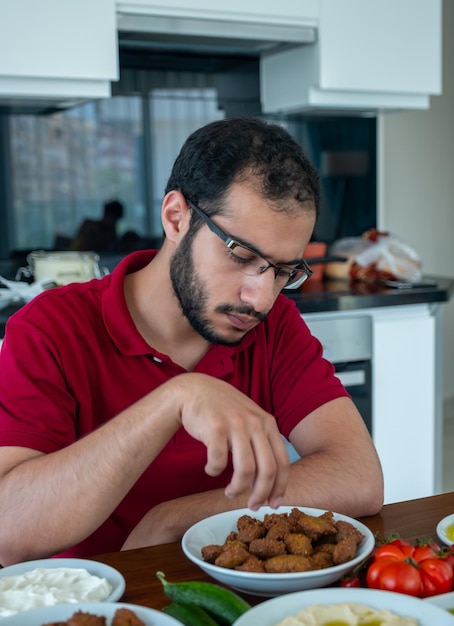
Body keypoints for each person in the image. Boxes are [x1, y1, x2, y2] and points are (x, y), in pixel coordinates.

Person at [0, 118, 384, 566]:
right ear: (176, 217)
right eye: (241, 255)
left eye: (283, 271)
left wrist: (175, 520)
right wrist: (176, 399)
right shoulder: (50, 328)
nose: (260, 297)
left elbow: (360, 476)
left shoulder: (273, 324)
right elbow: (9, 531)